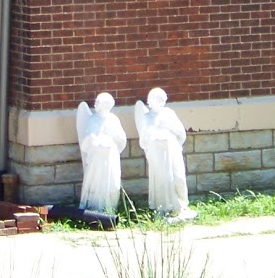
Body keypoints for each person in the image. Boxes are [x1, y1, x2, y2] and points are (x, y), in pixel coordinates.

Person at [135, 87, 194, 219]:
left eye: (160, 100)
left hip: (172, 150)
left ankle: (181, 206)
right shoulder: (146, 117)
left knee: (178, 176)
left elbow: (180, 133)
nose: (157, 102)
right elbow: (144, 139)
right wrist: (155, 135)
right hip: (158, 153)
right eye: (154, 99)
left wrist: (167, 126)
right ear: (149, 101)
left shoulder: (169, 113)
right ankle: (163, 208)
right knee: (163, 179)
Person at [74, 92, 127, 214]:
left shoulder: (113, 120)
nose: (95, 104)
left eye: (98, 102)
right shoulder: (92, 120)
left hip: (110, 157)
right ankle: (95, 208)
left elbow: (121, 140)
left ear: (105, 105)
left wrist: (111, 136)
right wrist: (94, 140)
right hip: (97, 158)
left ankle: (110, 208)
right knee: (96, 183)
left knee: (112, 183)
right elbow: (86, 141)